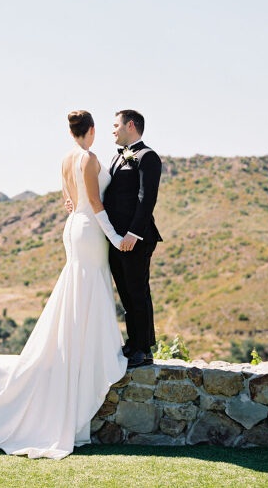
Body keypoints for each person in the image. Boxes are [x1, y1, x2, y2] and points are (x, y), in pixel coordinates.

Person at [0, 110, 128, 460]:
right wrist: (117, 237)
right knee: (86, 287)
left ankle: (79, 350)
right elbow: (94, 202)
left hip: (74, 228)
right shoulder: (89, 158)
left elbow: (69, 201)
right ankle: (92, 355)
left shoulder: (64, 159)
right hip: (90, 231)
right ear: (90, 130)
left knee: (78, 288)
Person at [103, 109, 163, 369]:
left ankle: (144, 349)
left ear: (130, 125)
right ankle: (132, 341)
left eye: (116, 125)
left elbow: (146, 198)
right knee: (126, 293)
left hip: (135, 237)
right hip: (116, 238)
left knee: (138, 292)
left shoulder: (148, 157)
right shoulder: (117, 158)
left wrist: (133, 234)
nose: (113, 130)